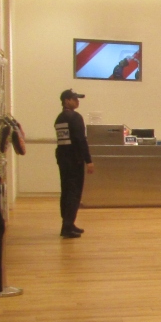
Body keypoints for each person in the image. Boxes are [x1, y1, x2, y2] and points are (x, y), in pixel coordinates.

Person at [54, 89, 94, 238]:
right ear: (66, 101)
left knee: (66, 191)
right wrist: (88, 160)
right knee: (74, 193)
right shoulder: (75, 117)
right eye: (74, 99)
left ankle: (68, 222)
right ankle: (67, 226)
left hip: (63, 159)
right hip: (74, 160)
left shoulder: (59, 118)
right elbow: (80, 140)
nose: (77, 101)